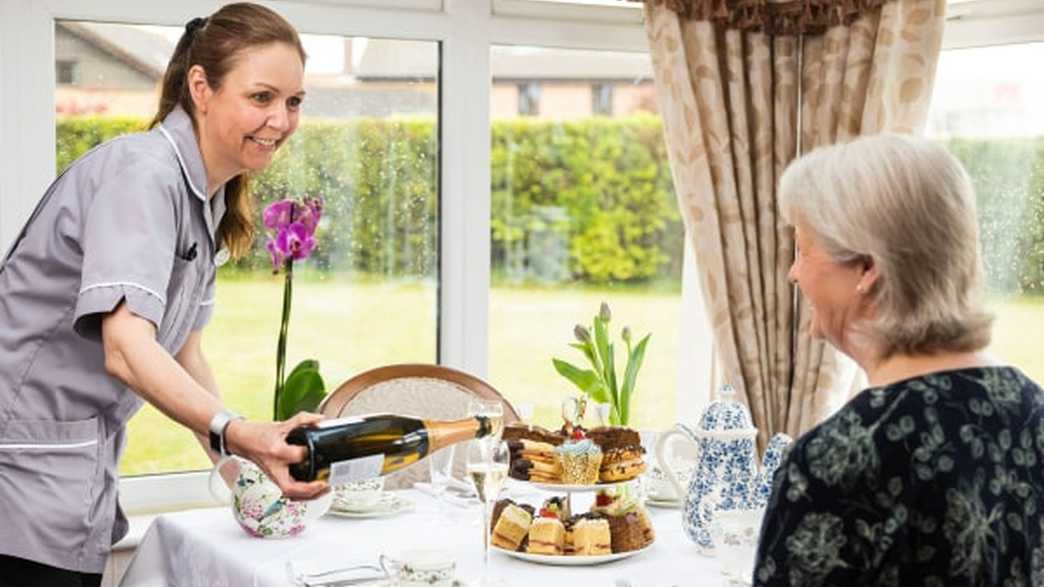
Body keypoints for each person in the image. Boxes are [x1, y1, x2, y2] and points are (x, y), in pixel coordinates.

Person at [0, 4, 328, 585]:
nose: (280, 119)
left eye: (294, 101)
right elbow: (126, 348)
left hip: (66, 473)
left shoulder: (206, 199)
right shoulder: (142, 172)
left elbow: (186, 354)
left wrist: (242, 473)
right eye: (261, 97)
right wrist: (240, 431)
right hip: (21, 473)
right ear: (200, 87)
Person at [753, 134, 1044, 586]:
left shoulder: (834, 464)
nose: (794, 273)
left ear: (867, 268)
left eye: (802, 249)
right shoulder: (1034, 411)